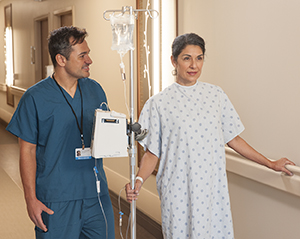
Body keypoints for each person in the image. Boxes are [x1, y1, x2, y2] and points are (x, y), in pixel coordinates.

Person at [125, 33, 295, 239]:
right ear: (173, 60)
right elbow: (152, 153)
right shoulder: (158, 103)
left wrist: (271, 164)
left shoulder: (216, 96)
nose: (193, 65)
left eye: (199, 58)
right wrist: (139, 180)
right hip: (178, 190)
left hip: (212, 189)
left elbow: (234, 139)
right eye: (186, 58)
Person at [6, 26, 115, 239]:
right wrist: (30, 199)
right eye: (83, 55)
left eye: (88, 54)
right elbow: (27, 150)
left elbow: (105, 134)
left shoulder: (95, 90)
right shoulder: (35, 97)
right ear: (61, 60)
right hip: (57, 198)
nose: (89, 60)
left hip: (96, 194)